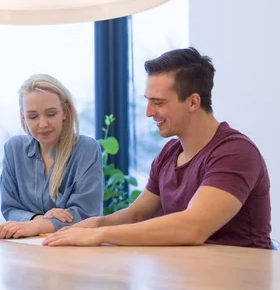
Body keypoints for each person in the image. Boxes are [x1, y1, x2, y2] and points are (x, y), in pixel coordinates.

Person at [43, 47, 272, 249]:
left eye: (159, 103)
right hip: (188, 282)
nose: (149, 112)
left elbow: (193, 227)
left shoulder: (235, 152)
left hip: (238, 288)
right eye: (148, 101)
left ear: (193, 102)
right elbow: (136, 215)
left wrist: (100, 234)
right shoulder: (170, 153)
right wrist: (94, 224)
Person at [0, 74, 103, 239]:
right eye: (32, 116)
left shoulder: (86, 149)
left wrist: (35, 226)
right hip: (26, 250)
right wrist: (39, 221)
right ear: (23, 117)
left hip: (73, 253)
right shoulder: (14, 149)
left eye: (51, 114)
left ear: (65, 112)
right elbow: (10, 208)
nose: (43, 124)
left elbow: (85, 213)